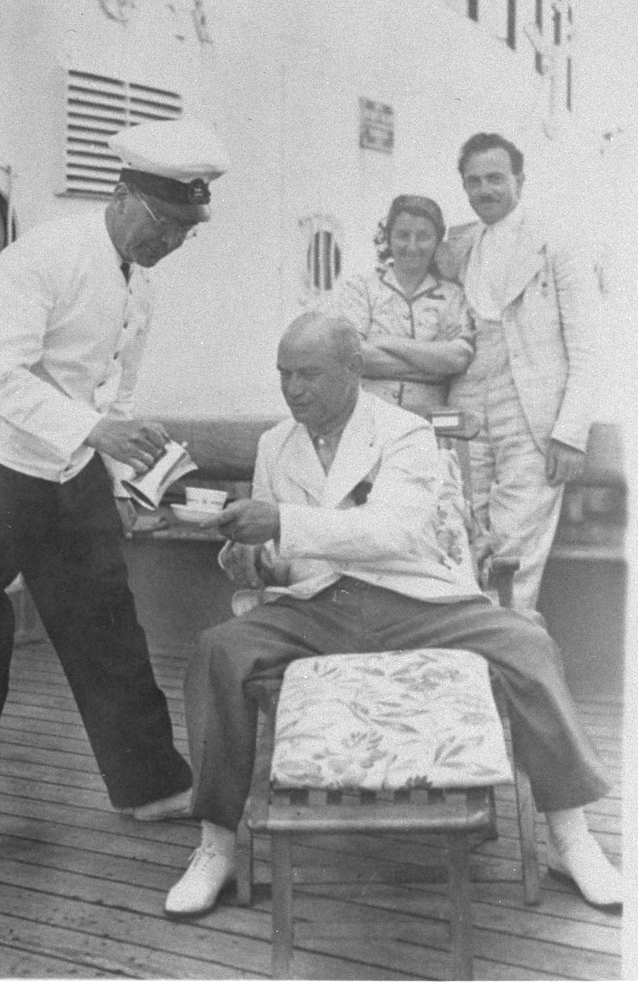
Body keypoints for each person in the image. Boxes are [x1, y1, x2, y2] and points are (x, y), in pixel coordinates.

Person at [164, 312, 621, 919]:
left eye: (308, 375)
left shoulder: (405, 432)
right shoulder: (277, 444)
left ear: (353, 373)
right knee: (218, 650)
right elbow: (280, 557)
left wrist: (279, 523)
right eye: (284, 375)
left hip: (413, 600)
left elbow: (393, 532)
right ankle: (216, 847)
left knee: (526, 643)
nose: (293, 389)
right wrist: (249, 556)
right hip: (319, 606)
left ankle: (571, 837)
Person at [0, 117, 230, 879]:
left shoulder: (137, 286)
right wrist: (94, 432)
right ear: (125, 198)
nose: (173, 242)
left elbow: (112, 394)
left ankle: (148, 784)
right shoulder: (42, 257)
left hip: (66, 460)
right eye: (167, 225)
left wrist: (124, 474)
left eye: (186, 229)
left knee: (105, 619)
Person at [437, 132, 601, 609]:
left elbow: (587, 348)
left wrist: (571, 434)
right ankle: (467, 658)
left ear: (520, 180)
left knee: (515, 550)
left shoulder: (559, 244)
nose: (484, 190)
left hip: (528, 412)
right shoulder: (464, 244)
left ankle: (506, 656)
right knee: (463, 527)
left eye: (495, 178)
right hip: (467, 406)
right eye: (474, 181)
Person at [332, 194, 474, 416]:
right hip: (369, 416)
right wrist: (433, 367)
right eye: (403, 235)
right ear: (388, 237)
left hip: (429, 421)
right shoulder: (361, 288)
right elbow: (352, 355)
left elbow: (459, 358)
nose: (412, 246)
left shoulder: (453, 295)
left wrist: (386, 342)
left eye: (423, 236)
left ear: (437, 240)